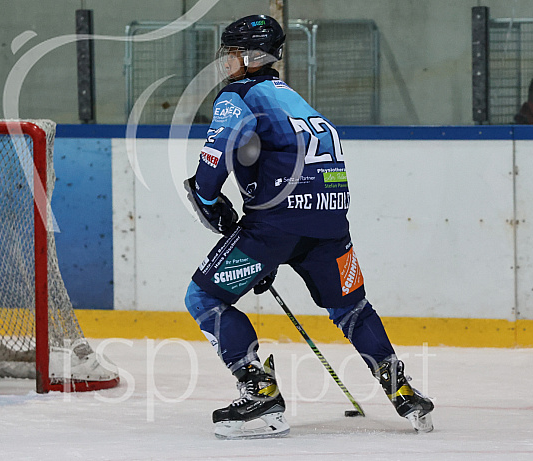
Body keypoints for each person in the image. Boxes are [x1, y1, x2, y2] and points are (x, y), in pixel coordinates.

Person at [184, 15, 434, 439]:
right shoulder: (297, 101)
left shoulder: (239, 95)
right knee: (352, 308)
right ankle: (402, 391)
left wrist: (208, 201)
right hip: (330, 221)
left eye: (230, 53)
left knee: (204, 299)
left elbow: (213, 162)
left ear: (249, 56)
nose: (225, 62)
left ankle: (259, 391)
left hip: (276, 226)